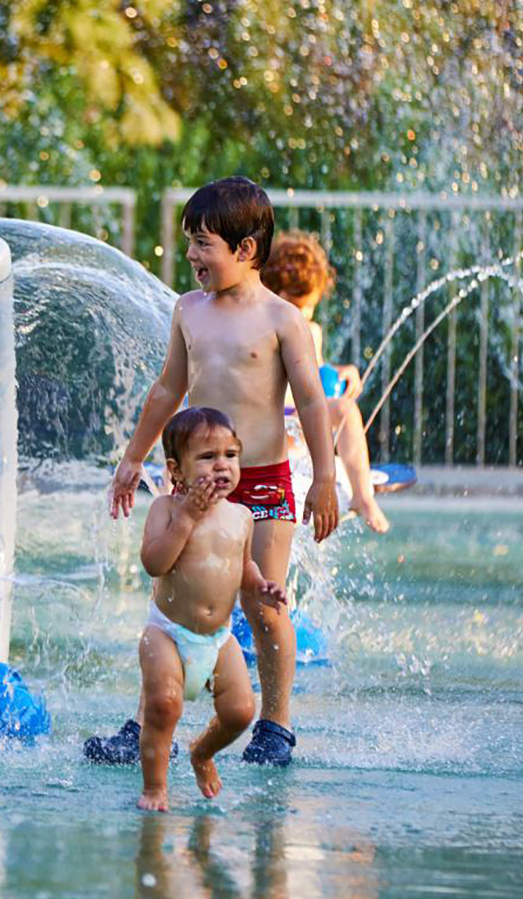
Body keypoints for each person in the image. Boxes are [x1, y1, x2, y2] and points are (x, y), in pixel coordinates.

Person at [86, 177, 339, 767]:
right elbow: (169, 388)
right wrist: (132, 457)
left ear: (246, 250)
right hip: (197, 484)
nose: (193, 257)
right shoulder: (188, 310)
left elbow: (309, 399)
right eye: (191, 244)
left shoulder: (280, 319)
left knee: (264, 603)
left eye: (204, 245)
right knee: (174, 601)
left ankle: (275, 725)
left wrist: (324, 477)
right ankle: (155, 719)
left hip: (264, 481)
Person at [136, 408, 287, 811]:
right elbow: (154, 563)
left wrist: (261, 586)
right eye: (207, 457)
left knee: (241, 711)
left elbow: (243, 567)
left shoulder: (241, 517)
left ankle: (202, 752)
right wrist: (187, 517)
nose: (222, 465)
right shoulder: (167, 511)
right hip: (168, 632)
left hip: (218, 640)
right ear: (176, 469)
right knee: (163, 705)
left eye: (230, 455)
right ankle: (155, 787)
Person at [260, 231, 390, 533]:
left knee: (345, 410)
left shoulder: (311, 331)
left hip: (304, 425)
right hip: (271, 427)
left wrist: (343, 371)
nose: (303, 314)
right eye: (295, 305)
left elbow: (315, 374)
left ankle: (362, 496)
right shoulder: (263, 331)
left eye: (309, 307)